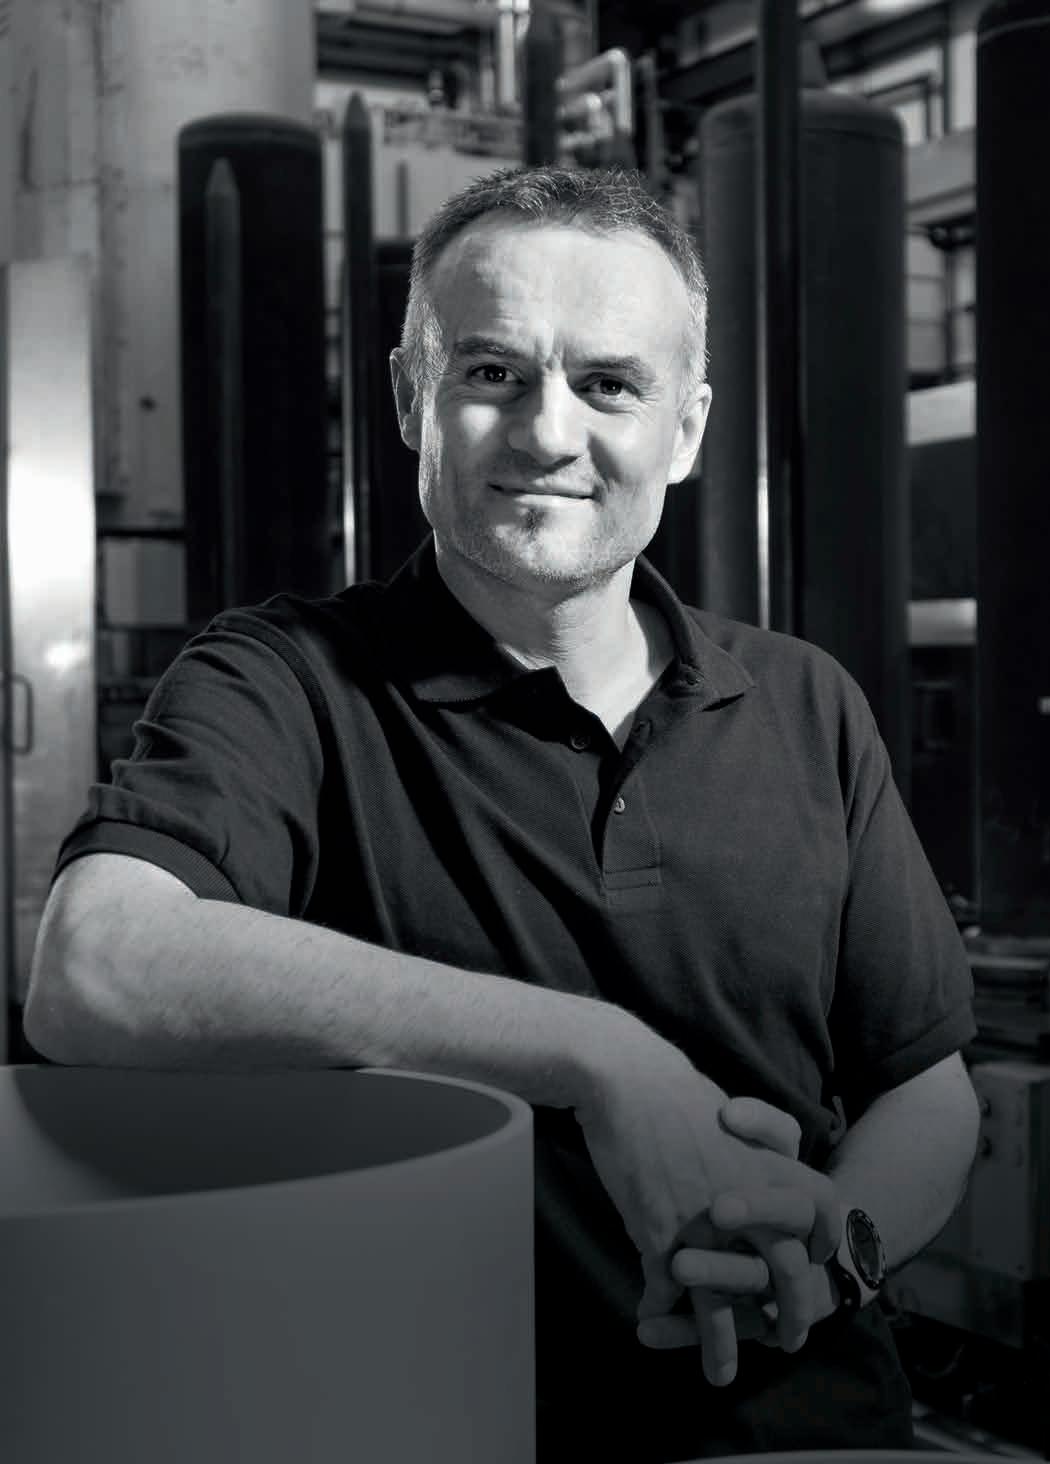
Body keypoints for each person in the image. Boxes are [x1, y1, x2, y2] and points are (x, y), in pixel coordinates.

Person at [25, 165, 980, 1461]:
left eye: (610, 384)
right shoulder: (284, 682)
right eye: (492, 373)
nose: (547, 433)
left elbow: (926, 1087)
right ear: (410, 398)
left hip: (801, 1425)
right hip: (436, 1427)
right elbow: (95, 968)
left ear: (687, 430)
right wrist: (596, 1057)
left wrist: (831, 1256)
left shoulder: (808, 704)